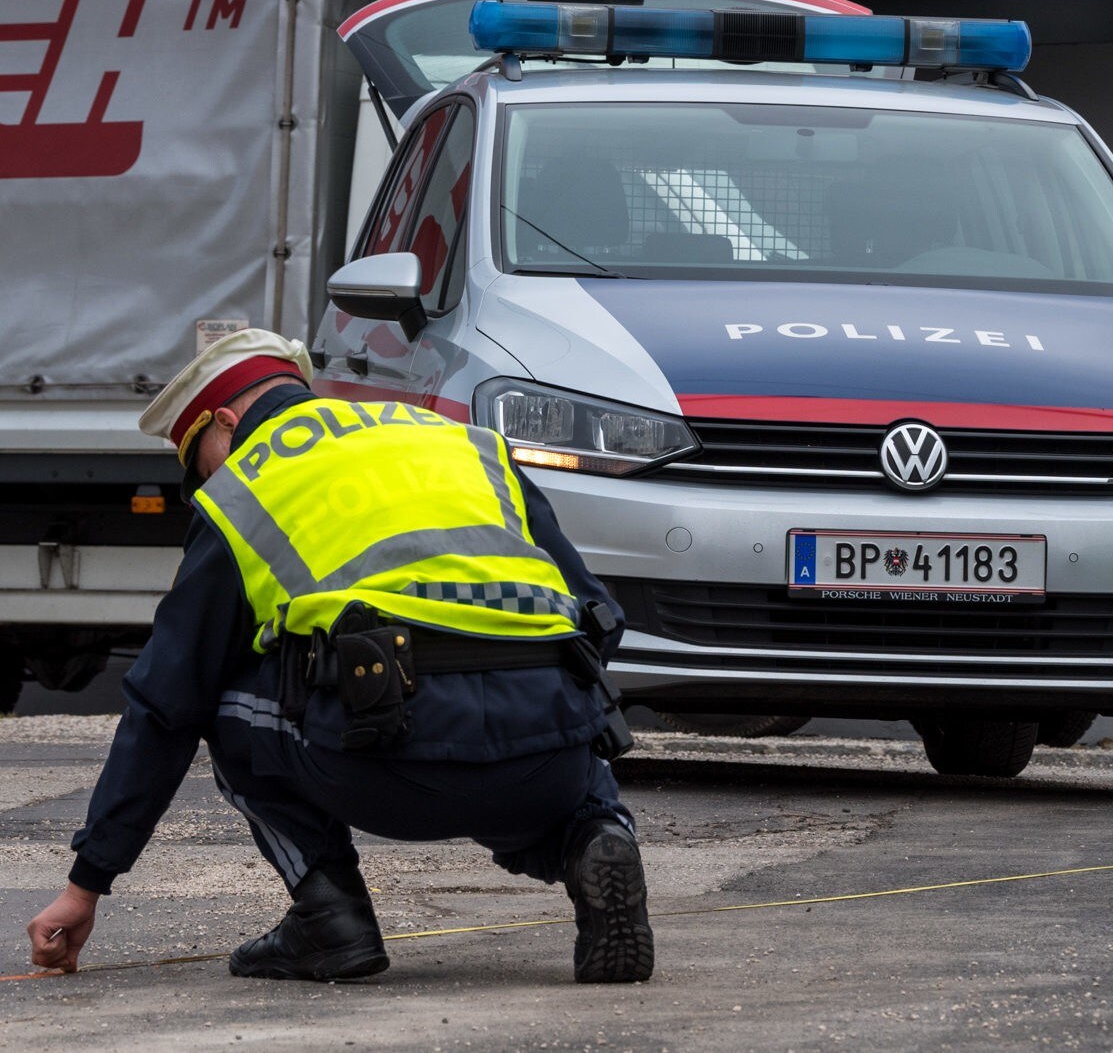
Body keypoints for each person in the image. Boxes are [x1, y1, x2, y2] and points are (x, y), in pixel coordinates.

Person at [22, 330, 653, 983]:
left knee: (222, 699)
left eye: (197, 462)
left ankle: (332, 919)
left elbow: (165, 704)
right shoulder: (455, 439)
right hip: (548, 757)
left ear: (226, 422)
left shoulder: (245, 486)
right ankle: (594, 840)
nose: (204, 483)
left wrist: (86, 884)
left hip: (386, 764)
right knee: (560, 676)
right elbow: (594, 613)